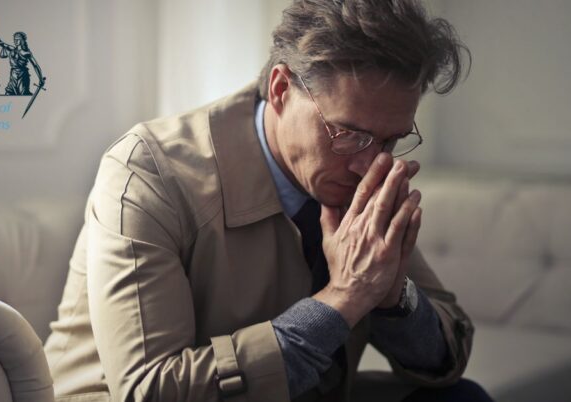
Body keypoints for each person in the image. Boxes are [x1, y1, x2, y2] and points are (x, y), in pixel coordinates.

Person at [44, 0, 491, 401]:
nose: (368, 165)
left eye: (391, 140)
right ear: (280, 89)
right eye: (349, 135)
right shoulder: (148, 170)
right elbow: (152, 390)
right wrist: (346, 298)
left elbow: (449, 354)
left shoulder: (360, 175)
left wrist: (394, 295)